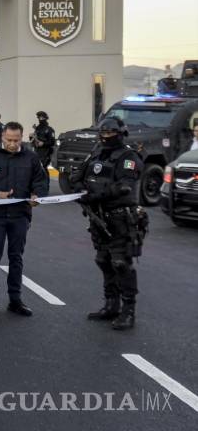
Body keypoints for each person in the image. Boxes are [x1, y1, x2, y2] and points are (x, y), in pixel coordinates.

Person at [70, 118, 147, 330]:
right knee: (103, 260)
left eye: (109, 134)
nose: (105, 137)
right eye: (102, 134)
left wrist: (95, 196)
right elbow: (77, 174)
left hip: (120, 218)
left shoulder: (128, 157)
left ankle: (128, 311)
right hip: (99, 217)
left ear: (120, 134)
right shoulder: (96, 153)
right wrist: (78, 189)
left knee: (121, 263)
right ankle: (111, 305)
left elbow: (125, 186)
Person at [0, 121, 49, 317]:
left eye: (16, 140)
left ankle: (15, 300)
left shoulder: (31, 158)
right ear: (2, 137)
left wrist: (37, 195)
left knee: (16, 257)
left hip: (20, 215)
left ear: (21, 138)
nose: (12, 144)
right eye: (9, 140)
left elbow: (41, 181)